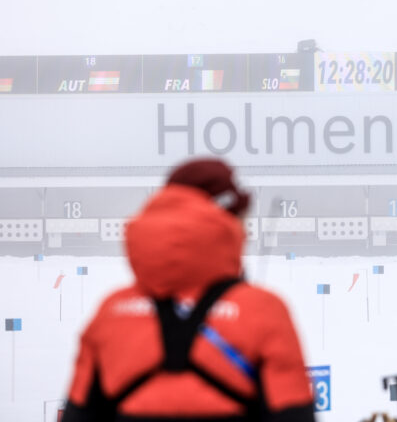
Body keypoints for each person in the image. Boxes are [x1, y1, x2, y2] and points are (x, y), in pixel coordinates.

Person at [61, 158, 315, 422]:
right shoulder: (264, 312)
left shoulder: (111, 313)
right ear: (226, 221)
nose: (246, 232)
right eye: (243, 220)